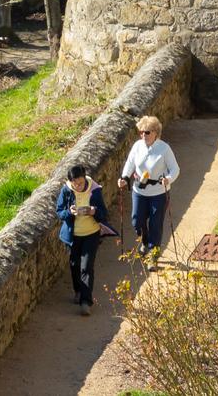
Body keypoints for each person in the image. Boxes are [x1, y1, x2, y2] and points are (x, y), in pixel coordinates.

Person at [56, 163, 112, 315]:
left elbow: (103, 212)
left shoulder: (94, 190)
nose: (78, 186)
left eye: (80, 182)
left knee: (86, 267)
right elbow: (59, 212)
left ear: (84, 179)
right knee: (74, 265)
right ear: (70, 182)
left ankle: (86, 301)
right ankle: (78, 291)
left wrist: (94, 211)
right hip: (73, 236)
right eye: (75, 183)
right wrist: (70, 212)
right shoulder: (66, 191)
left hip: (91, 234)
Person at [118, 115, 179, 256]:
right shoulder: (137, 146)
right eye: (141, 132)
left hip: (159, 193)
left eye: (147, 132)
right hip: (139, 191)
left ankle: (153, 253)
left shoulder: (164, 149)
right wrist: (125, 177)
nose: (143, 135)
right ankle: (145, 240)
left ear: (155, 133)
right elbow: (130, 163)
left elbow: (175, 169)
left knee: (155, 224)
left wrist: (168, 179)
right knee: (136, 221)